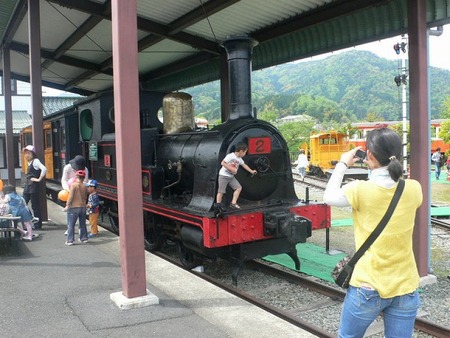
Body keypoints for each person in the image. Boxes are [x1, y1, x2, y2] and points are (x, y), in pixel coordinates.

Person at [323, 128, 423, 338]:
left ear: (369, 155)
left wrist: (342, 164)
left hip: (368, 286)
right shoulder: (414, 188)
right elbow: (397, 182)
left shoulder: (359, 189)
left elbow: (329, 197)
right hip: (405, 286)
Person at [215, 143, 257, 209]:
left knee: (238, 188)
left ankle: (233, 203)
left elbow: (244, 165)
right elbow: (222, 163)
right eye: (245, 152)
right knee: (221, 191)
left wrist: (251, 171)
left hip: (231, 177)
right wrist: (231, 168)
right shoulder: (230, 156)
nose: (245, 154)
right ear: (241, 151)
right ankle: (218, 205)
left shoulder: (239, 159)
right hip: (223, 176)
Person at [61, 155, 89, 235]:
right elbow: (64, 180)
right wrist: (68, 190)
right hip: (69, 189)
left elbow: (85, 181)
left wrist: (79, 188)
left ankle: (81, 229)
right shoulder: (67, 167)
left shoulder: (85, 170)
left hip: (80, 190)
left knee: (81, 211)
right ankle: (69, 228)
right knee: (70, 210)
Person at [22, 145, 47, 230]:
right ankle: (32, 219)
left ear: (33, 154)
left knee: (35, 205)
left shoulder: (35, 161)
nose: (27, 155)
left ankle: (37, 224)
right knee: (23, 202)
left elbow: (44, 169)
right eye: (26, 153)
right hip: (28, 185)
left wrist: (39, 179)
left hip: (33, 186)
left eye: (29, 153)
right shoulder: (29, 163)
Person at [63, 170, 88, 246]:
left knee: (71, 224)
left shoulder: (73, 185)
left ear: (76, 177)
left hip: (74, 207)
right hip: (83, 207)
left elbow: (71, 196)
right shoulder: (84, 186)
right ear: (83, 178)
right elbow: (85, 197)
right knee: (82, 223)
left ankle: (70, 240)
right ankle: (83, 238)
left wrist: (67, 205)